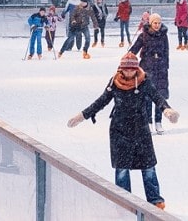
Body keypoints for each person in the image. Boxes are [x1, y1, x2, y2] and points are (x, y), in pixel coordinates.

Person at [66, 52, 180, 211]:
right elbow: (101, 101)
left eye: (131, 69)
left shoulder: (144, 82)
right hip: (120, 131)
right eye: (125, 69)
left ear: (136, 68)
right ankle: (124, 202)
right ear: (121, 69)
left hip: (141, 130)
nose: (128, 72)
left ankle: (155, 201)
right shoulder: (114, 82)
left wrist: (167, 110)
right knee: (122, 169)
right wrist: (83, 115)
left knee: (148, 168)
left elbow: (157, 97)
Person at [130, 13, 171, 134]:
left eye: (159, 23)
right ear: (150, 23)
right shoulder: (144, 35)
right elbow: (134, 49)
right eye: (155, 23)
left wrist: (166, 66)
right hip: (147, 68)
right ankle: (149, 122)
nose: (157, 25)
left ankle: (159, 122)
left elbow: (166, 51)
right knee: (147, 96)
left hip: (161, 68)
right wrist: (128, 59)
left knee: (160, 96)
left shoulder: (164, 35)